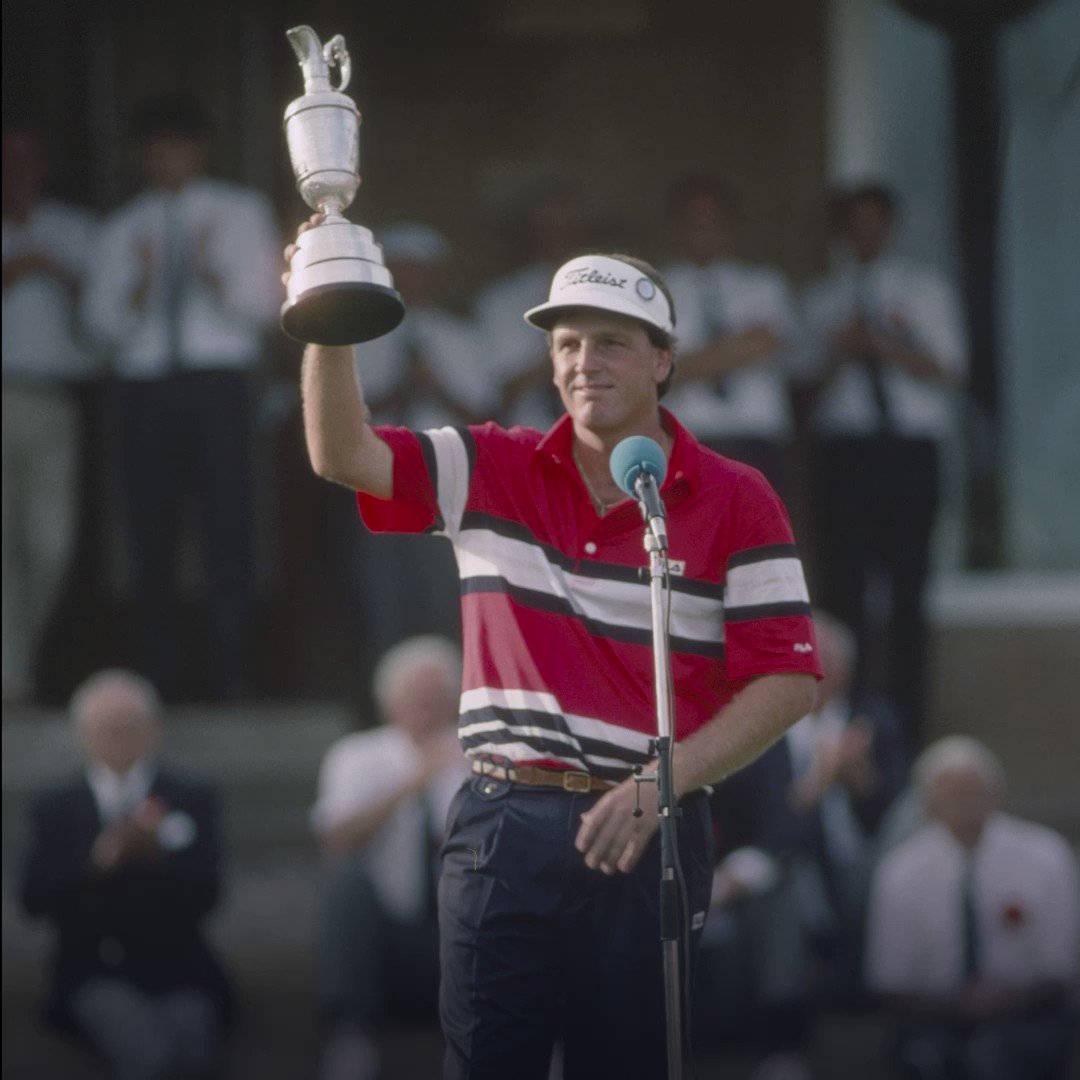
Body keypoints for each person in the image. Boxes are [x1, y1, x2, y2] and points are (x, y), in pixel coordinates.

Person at [287, 217, 822, 1078]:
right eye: (567, 344)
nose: (583, 362)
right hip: (505, 818)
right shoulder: (489, 462)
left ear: (662, 359)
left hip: (651, 822)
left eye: (611, 342)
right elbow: (342, 452)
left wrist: (666, 783)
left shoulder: (737, 496)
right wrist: (325, 315)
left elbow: (788, 683)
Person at [82, 93, 281, 702]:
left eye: (178, 146)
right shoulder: (124, 226)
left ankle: (232, 671)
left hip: (216, 380)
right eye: (156, 149)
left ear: (198, 150)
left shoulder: (239, 212)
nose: (167, 158)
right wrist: (143, 282)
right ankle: (156, 674)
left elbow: (267, 307)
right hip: (146, 385)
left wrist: (210, 270)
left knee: (228, 524)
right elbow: (99, 327)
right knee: (151, 527)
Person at [696, 612, 908, 1077]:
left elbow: (894, 813)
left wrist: (857, 776)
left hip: (864, 864)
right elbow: (770, 828)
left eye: (827, 662)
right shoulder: (761, 733)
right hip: (784, 868)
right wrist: (822, 777)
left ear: (846, 670)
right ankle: (784, 1045)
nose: (815, 671)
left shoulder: (873, 720)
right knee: (788, 891)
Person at [801, 183, 967, 736]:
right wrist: (838, 351)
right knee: (845, 591)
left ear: (890, 228)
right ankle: (848, 721)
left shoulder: (924, 291)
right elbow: (801, 395)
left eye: (875, 223)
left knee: (907, 590)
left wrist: (883, 344)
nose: (865, 234)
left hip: (909, 450)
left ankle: (909, 727)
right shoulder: (823, 299)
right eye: (855, 224)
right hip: (846, 452)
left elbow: (948, 372)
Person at [18, 668, 233, 1080]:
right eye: (106, 729)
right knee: (146, 1055)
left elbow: (209, 894)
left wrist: (156, 857)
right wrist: (97, 863)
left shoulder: (191, 794)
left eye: (129, 727)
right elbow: (33, 899)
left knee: (194, 1054)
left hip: (180, 968)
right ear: (83, 735)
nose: (119, 739)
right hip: (95, 968)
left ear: (153, 730)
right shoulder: (56, 805)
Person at [865, 736, 1079, 1080]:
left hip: (1029, 1014)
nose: (963, 804)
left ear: (997, 796)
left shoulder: (1045, 857)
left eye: (973, 792)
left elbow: (1061, 966)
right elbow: (889, 980)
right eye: (950, 794)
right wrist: (957, 1005)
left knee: (1001, 1057)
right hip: (932, 1019)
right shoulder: (900, 872)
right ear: (927, 803)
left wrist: (1008, 999)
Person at [311, 635, 469, 1080]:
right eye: (414, 698)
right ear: (387, 703)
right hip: (383, 937)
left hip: (457, 928)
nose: (426, 709)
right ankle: (350, 1036)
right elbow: (335, 839)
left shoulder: (477, 755)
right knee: (345, 884)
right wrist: (415, 782)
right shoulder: (357, 755)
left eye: (436, 698)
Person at [2, 119, 98, 704]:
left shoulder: (75, 230)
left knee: (49, 543)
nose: (18, 172)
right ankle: (12, 677)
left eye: (26, 159)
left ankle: (20, 656)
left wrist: (56, 273)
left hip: (55, 399)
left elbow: (111, 320)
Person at [661, 173, 807, 500]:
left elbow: (780, 347)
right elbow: (654, 375)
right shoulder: (653, 291)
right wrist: (744, 347)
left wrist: (685, 362)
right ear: (676, 225)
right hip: (688, 439)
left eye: (712, 218)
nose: (703, 228)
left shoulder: (765, 285)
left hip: (757, 438)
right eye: (693, 219)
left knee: (757, 544)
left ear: (731, 224)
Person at [473, 181, 591, 428]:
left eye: (566, 224)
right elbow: (494, 396)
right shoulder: (499, 300)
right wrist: (560, 354)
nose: (558, 234)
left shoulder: (603, 294)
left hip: (597, 435)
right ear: (530, 230)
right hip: (528, 434)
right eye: (548, 225)